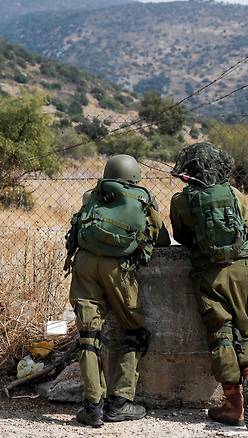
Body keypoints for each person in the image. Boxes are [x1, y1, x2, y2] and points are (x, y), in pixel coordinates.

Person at [64, 154, 170, 428]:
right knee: (134, 331)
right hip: (119, 270)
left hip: (85, 263)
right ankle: (120, 403)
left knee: (89, 336)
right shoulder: (142, 198)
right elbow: (161, 238)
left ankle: (93, 407)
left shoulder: (93, 195)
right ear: (135, 175)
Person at [169, 142, 248, 431]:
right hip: (243, 266)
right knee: (247, 327)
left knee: (220, 331)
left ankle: (233, 403)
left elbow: (182, 238)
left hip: (208, 272)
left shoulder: (181, 200)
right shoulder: (235, 194)